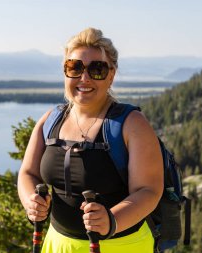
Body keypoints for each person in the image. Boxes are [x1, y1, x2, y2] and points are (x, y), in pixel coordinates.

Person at [17, 27, 163, 253]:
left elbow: (149, 190)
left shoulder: (131, 124)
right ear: (65, 72)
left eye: (97, 69)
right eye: (74, 67)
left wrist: (111, 220)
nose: (84, 78)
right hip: (59, 244)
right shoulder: (51, 120)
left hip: (121, 246)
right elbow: (28, 173)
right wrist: (30, 202)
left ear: (111, 75)